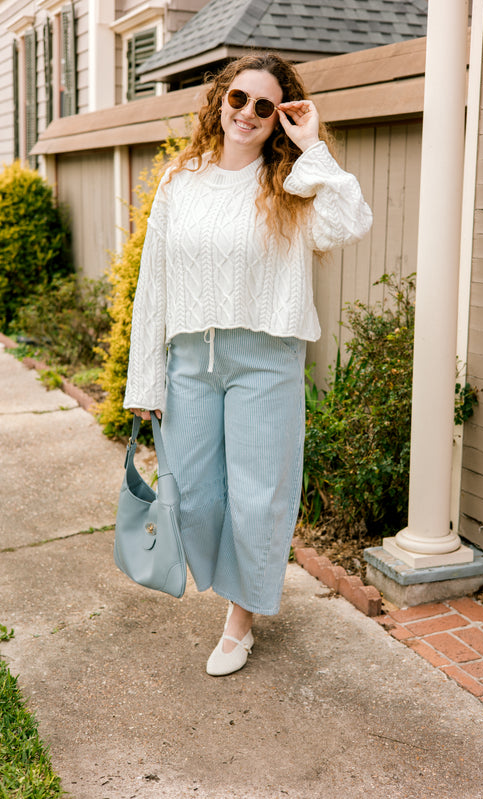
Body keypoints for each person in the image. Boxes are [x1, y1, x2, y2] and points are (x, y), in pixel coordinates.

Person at [124, 52, 372, 676]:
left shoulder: (291, 184)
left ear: (278, 116)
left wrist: (311, 146)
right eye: (239, 99)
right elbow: (153, 280)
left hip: (265, 361)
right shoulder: (181, 181)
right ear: (219, 101)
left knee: (258, 499)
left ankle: (241, 619)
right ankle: (231, 587)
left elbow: (351, 219)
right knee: (198, 497)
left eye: (265, 106)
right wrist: (144, 377)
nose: (248, 114)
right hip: (190, 360)